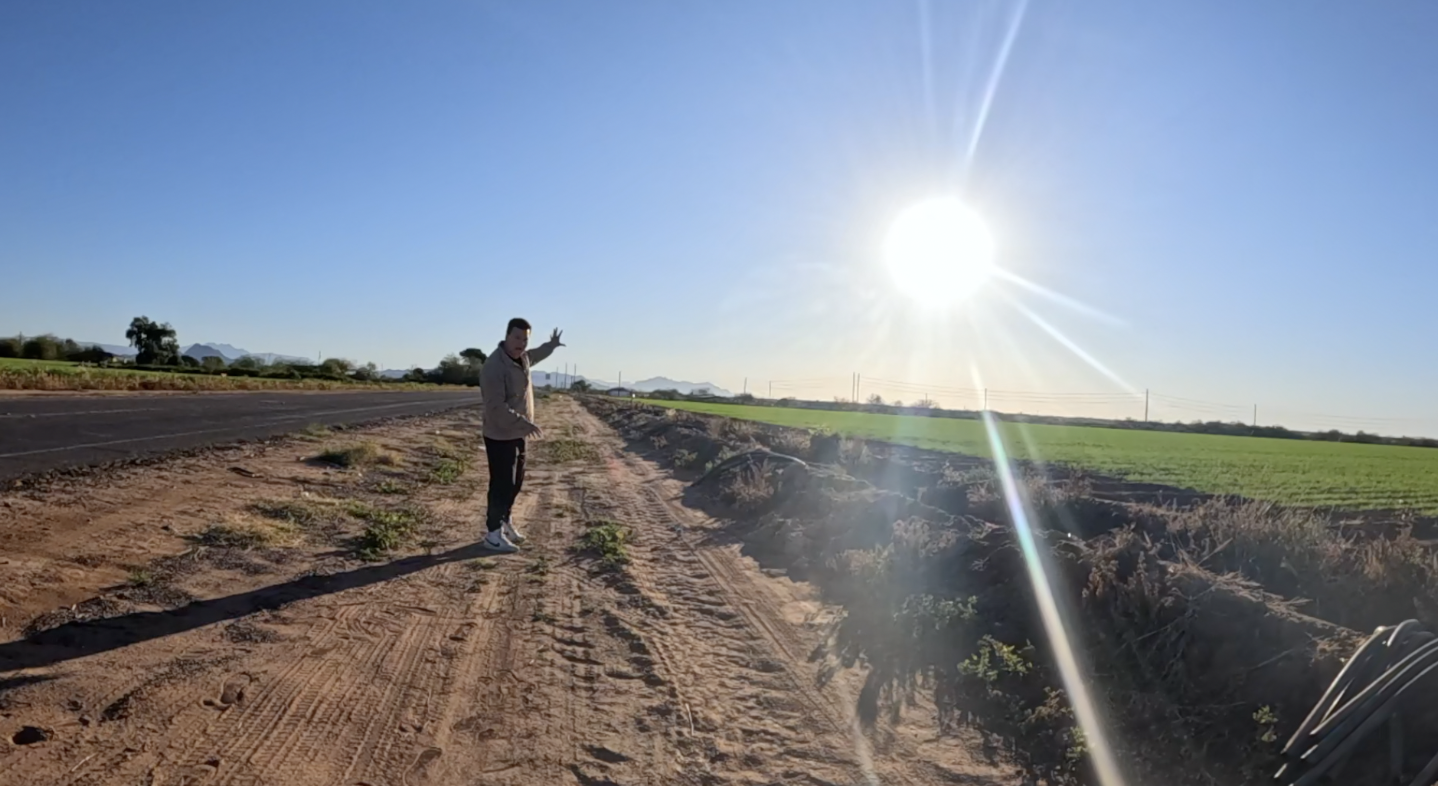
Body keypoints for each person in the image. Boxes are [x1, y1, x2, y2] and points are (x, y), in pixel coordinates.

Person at [478, 317, 564, 552]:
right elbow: (495, 407)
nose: (521, 344)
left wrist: (551, 345)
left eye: (525, 340)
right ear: (506, 336)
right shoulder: (494, 366)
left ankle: (505, 521)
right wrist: (525, 424)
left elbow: (537, 354)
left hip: (518, 433)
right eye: (516, 338)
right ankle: (492, 534)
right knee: (501, 484)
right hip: (499, 434)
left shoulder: (523, 357)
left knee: (516, 483)